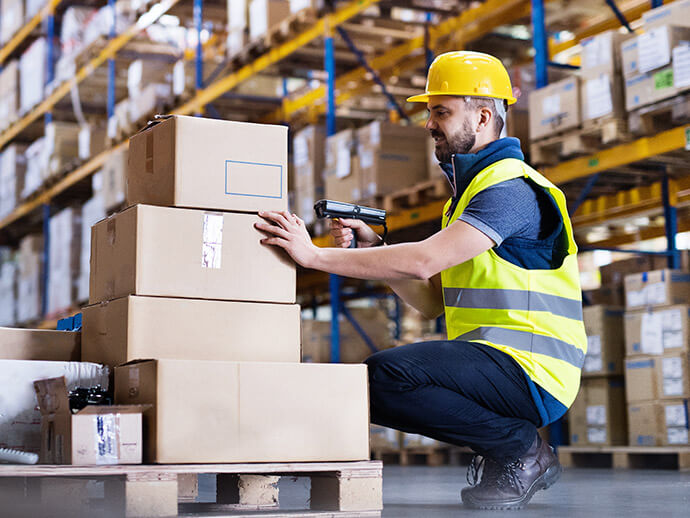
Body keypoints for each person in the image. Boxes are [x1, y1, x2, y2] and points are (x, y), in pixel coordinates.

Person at [255, 51, 586, 510]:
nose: (429, 124)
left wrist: (313, 256)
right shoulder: (467, 199)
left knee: (385, 376)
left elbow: (421, 261)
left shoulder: (511, 191)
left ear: (484, 115)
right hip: (499, 363)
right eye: (430, 113)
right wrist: (371, 249)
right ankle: (513, 447)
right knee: (379, 381)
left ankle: (518, 449)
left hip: (532, 369)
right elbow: (431, 302)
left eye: (441, 112)